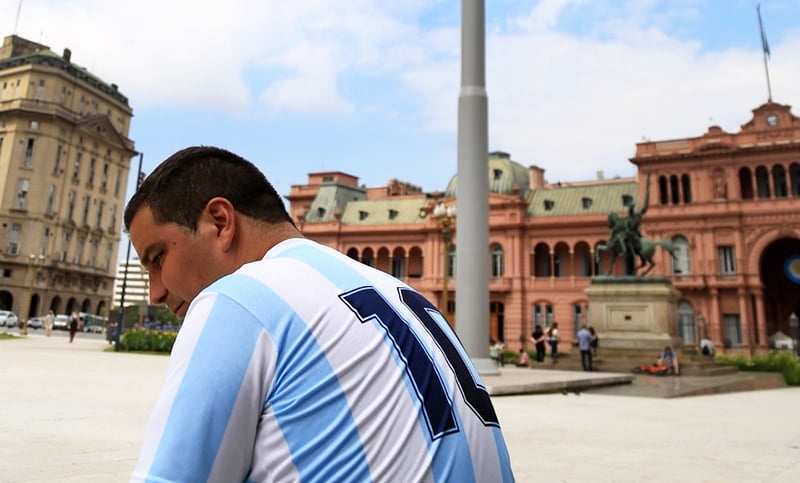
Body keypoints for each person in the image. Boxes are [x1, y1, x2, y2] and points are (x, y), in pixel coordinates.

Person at [124, 146, 513, 482]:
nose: (156, 291)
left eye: (157, 258)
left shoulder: (239, 299)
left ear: (220, 223)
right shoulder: (405, 295)